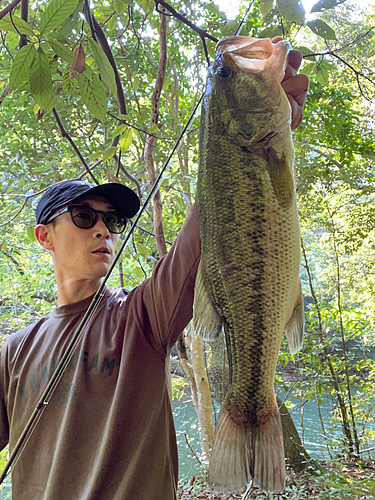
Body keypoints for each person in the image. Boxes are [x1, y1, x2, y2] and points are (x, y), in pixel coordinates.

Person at [0, 48, 309, 500]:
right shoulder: (15, 350)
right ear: (44, 236)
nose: (104, 228)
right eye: (85, 217)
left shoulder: (140, 316)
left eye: (114, 221)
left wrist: (250, 134)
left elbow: (211, 230)